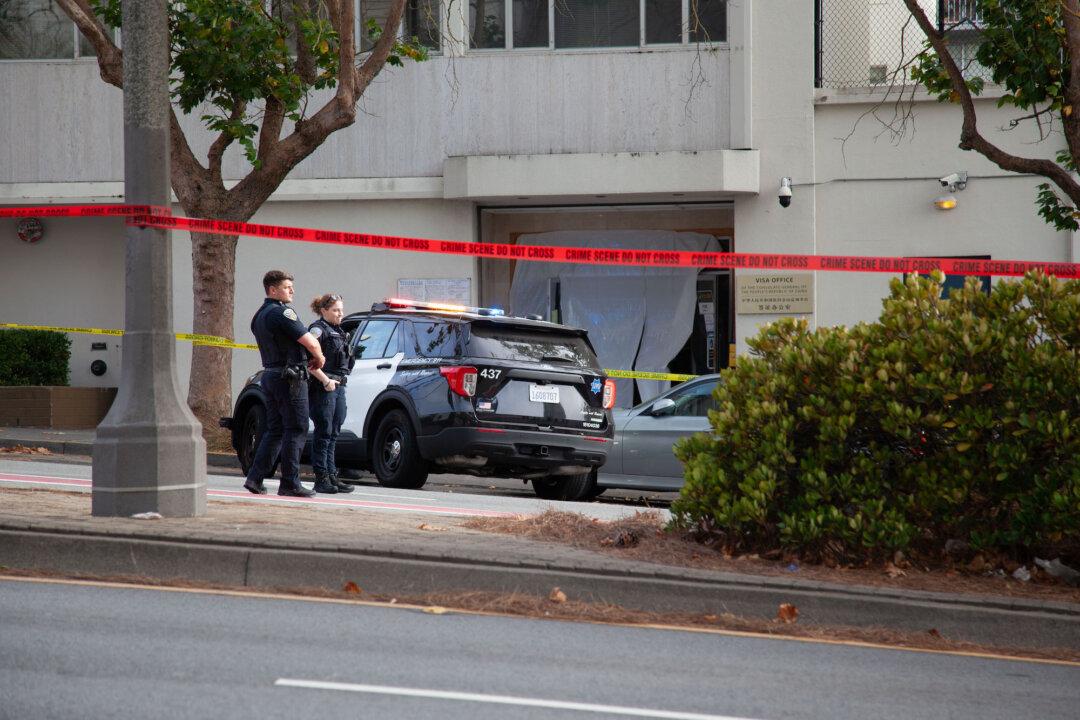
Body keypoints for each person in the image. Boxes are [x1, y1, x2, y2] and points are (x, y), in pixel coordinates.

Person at [243, 270, 325, 497]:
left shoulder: (259, 315)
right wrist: (319, 357)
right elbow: (309, 341)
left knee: (276, 429)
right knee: (297, 427)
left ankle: (255, 477)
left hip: (270, 375)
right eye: (288, 287)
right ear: (273, 290)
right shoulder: (282, 313)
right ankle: (290, 483)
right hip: (290, 378)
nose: (292, 291)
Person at [306, 293, 355, 494]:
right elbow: (309, 361)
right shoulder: (318, 330)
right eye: (335, 310)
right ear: (323, 311)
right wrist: (325, 381)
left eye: (341, 310)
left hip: (338, 385)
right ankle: (321, 478)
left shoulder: (339, 331)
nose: (340, 314)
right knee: (324, 432)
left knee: (334, 432)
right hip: (323, 386)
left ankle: (332, 476)